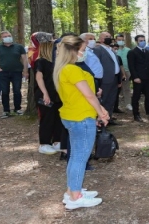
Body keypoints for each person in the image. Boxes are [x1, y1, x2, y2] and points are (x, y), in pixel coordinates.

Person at [54, 35, 110, 210]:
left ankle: (72, 190)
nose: (85, 53)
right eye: (83, 50)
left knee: (75, 156)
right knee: (79, 157)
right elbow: (88, 94)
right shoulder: (72, 70)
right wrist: (101, 112)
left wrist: (99, 110)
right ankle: (75, 197)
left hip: (74, 115)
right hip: (81, 117)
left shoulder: (64, 69)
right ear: (74, 51)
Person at [33, 32, 63, 155]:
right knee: (47, 119)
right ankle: (44, 143)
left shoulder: (56, 61)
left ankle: (57, 141)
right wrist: (45, 93)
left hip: (57, 93)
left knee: (58, 118)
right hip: (45, 93)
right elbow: (39, 78)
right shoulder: (40, 61)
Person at [0, 31, 29, 118]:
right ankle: (6, 110)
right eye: (5, 36)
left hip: (17, 72)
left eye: (9, 35)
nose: (7, 37)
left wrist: (25, 71)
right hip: (3, 73)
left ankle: (17, 109)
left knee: (17, 90)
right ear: (1, 39)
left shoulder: (19, 47)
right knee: (4, 91)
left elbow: (24, 59)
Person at [128, 35, 149, 122]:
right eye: (140, 40)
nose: (142, 42)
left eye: (143, 40)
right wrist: (135, 77)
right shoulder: (132, 52)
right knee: (136, 97)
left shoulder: (148, 52)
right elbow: (131, 66)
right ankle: (136, 114)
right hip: (139, 79)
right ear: (136, 42)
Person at [95, 32, 123, 125]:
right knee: (104, 99)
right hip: (104, 79)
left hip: (114, 78)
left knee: (111, 100)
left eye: (110, 37)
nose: (109, 38)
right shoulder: (98, 50)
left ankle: (109, 118)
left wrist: (119, 78)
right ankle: (101, 120)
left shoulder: (111, 49)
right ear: (101, 38)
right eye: (106, 37)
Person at [115, 34, 132, 111]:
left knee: (127, 88)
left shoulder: (128, 50)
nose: (121, 41)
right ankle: (115, 106)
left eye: (122, 40)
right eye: (119, 40)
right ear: (116, 40)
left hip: (127, 71)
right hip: (116, 72)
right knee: (115, 89)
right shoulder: (114, 50)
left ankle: (128, 104)